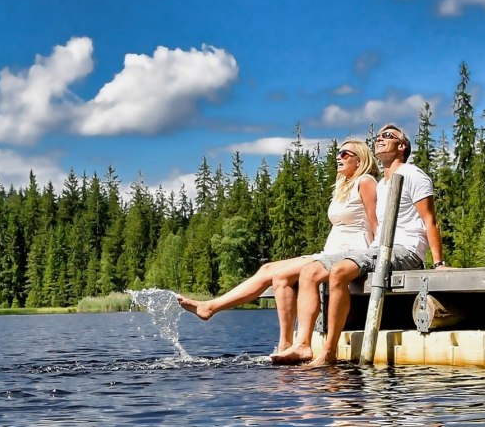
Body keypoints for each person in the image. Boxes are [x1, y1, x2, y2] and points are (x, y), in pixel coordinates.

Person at [177, 139, 379, 356]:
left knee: (282, 275)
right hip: (330, 252)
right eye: (338, 153)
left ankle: (296, 344)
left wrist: (375, 257)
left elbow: (376, 222)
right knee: (269, 270)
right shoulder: (342, 186)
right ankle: (283, 344)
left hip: (352, 252)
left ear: (360, 160)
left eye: (346, 154)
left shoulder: (366, 181)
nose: (339, 157)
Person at [275, 123, 448, 366]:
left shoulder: (412, 174)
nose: (380, 139)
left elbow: (430, 220)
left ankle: (329, 351)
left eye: (388, 136)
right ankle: (302, 345)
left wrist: (439, 263)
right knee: (309, 271)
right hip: (377, 249)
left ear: (402, 147)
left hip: (404, 250)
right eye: (378, 136)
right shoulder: (383, 183)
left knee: (339, 271)